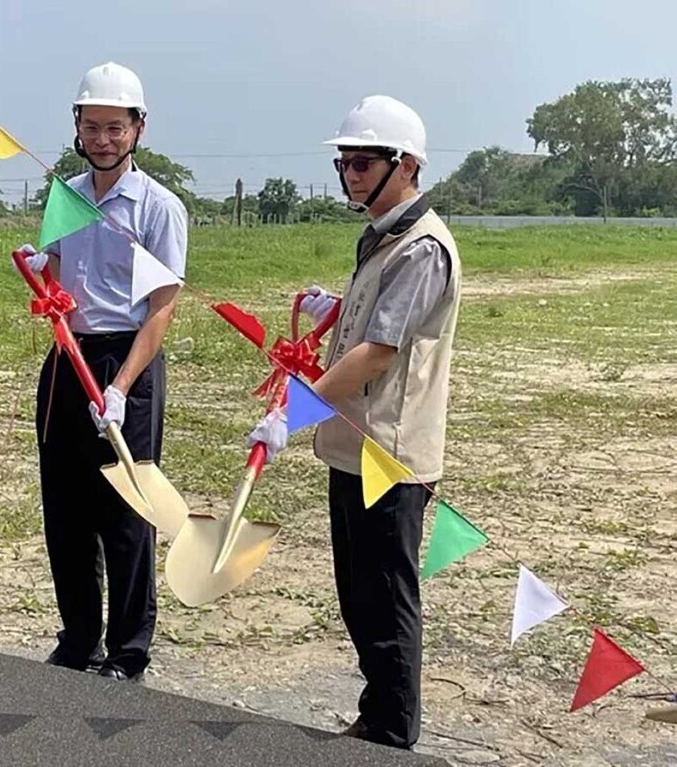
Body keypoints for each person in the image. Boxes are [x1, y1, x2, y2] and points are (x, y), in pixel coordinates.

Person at [249, 95, 462, 750]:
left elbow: (379, 352)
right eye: (346, 162)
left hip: (389, 454)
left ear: (408, 165)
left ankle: (393, 733)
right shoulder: (384, 238)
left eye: (365, 162)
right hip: (354, 446)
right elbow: (370, 322)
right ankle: (378, 713)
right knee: (359, 596)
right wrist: (337, 307)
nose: (352, 174)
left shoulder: (421, 248)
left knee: (385, 600)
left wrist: (293, 407)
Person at [16, 62, 188, 682]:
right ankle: (79, 637)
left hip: (126, 362)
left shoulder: (160, 207)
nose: (103, 139)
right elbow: (55, 275)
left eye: (115, 127)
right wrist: (43, 276)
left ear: (139, 129)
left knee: (124, 509)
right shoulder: (65, 196)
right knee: (64, 507)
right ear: (77, 128)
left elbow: (162, 306)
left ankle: (128, 650)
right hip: (68, 356)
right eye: (92, 127)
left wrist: (120, 387)